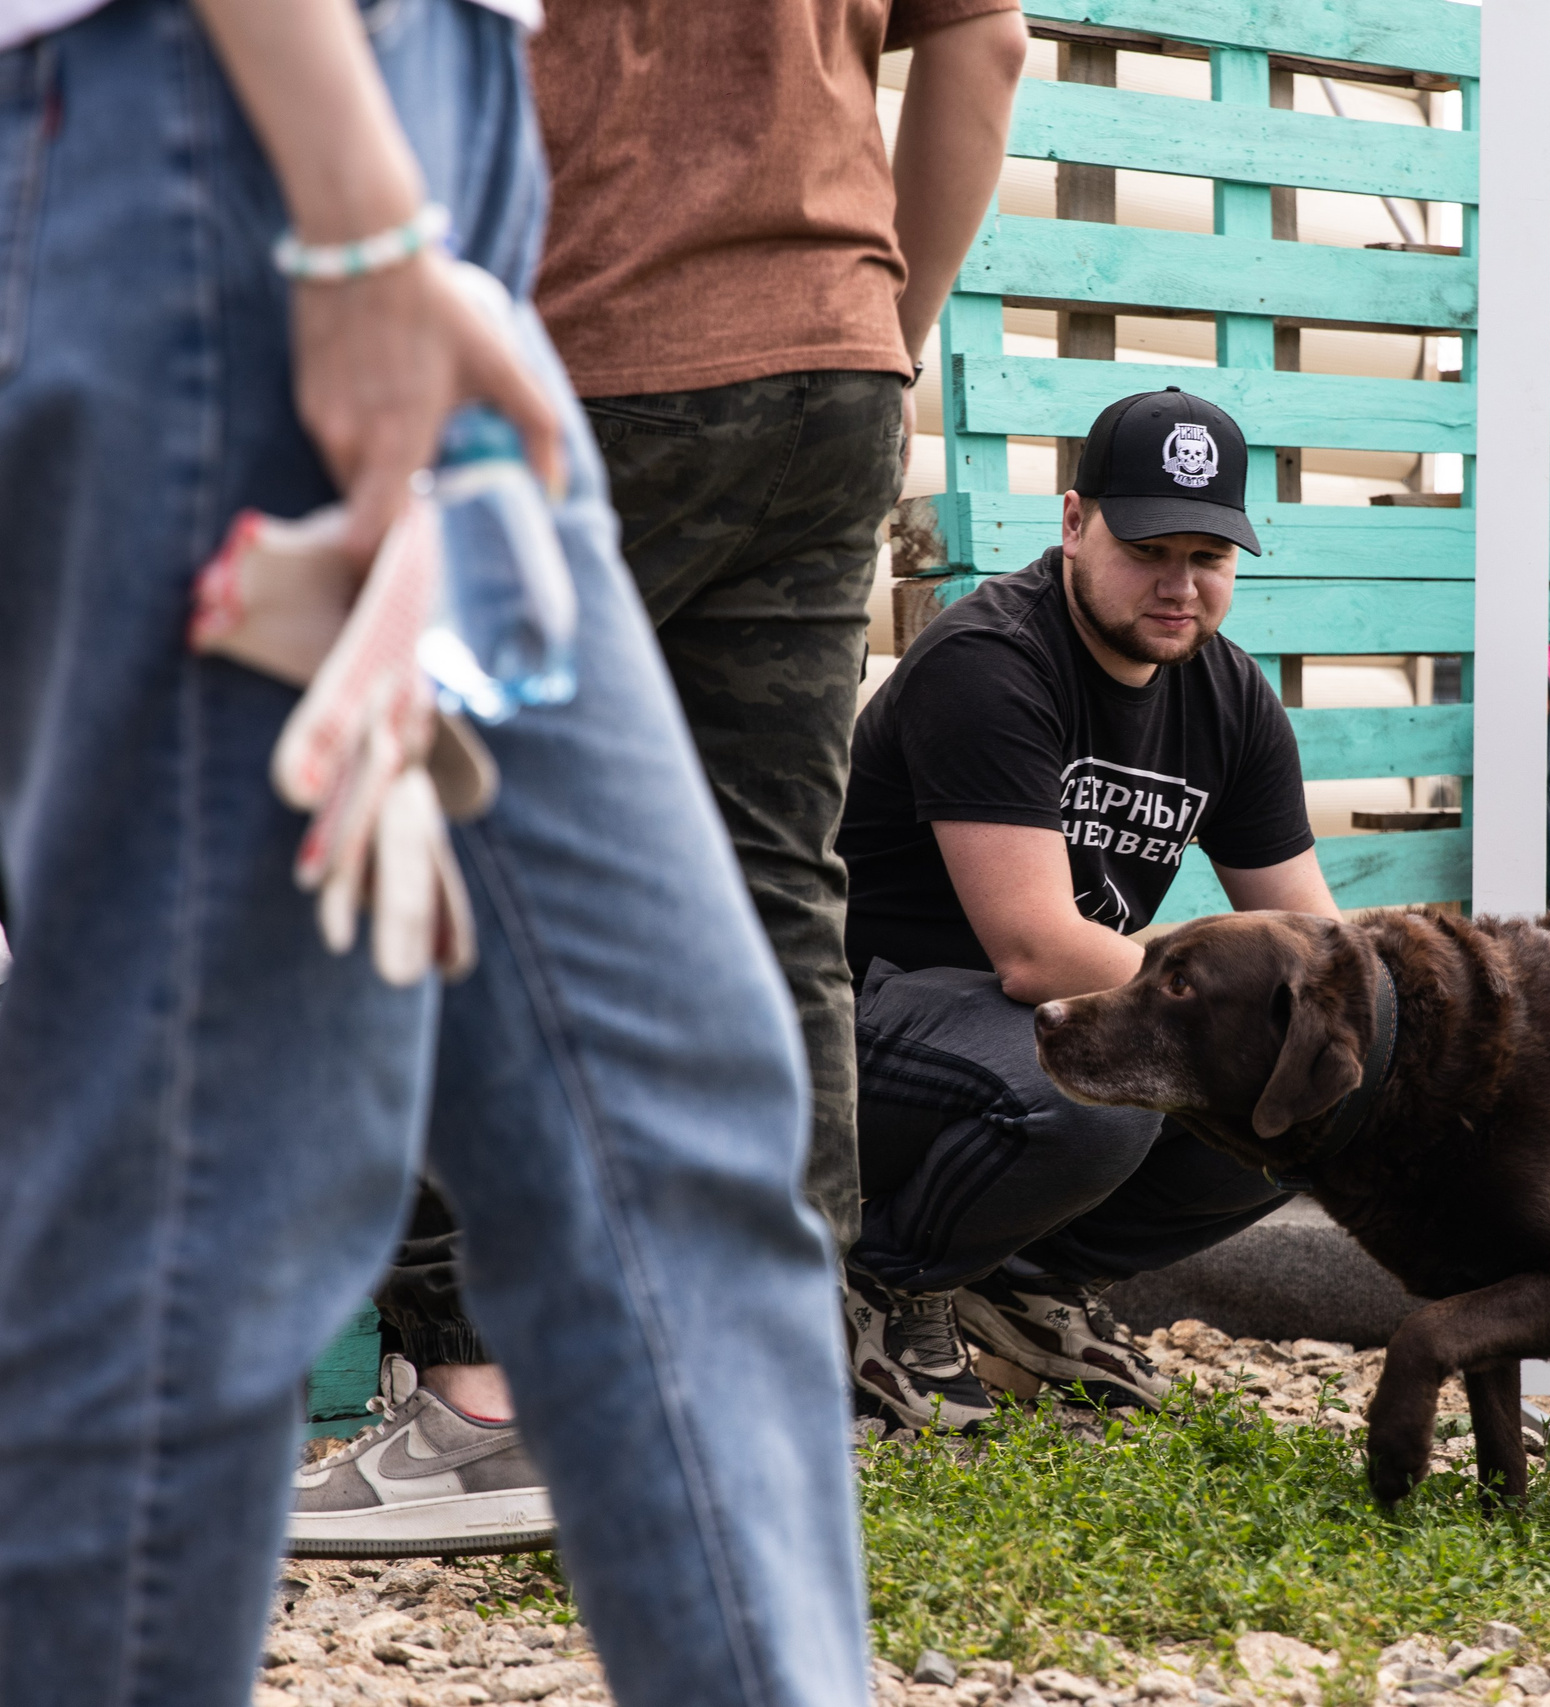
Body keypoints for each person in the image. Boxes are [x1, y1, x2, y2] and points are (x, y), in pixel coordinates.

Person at [0, 0, 868, 1700]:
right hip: (241, 132)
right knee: (204, 1195)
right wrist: (353, 217)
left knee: (672, 1119)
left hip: (438, 157)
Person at [295, 0, 1028, 1550]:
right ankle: (771, 1388)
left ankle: (489, 1398)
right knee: (769, 884)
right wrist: (894, 330)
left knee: (433, 841)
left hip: (567, 346)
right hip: (826, 367)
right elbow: (988, 40)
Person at [837, 388, 1339, 1429]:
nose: (1179, 585)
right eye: (1149, 547)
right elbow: (1035, 954)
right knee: (1088, 1086)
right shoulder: (990, 663)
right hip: (859, 1035)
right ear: (1072, 524)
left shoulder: (1230, 699)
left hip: (1009, 1030)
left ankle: (1016, 1280)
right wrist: (1220, 1004)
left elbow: (1317, 947)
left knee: (1312, 1087)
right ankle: (883, 1283)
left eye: (1208, 556)